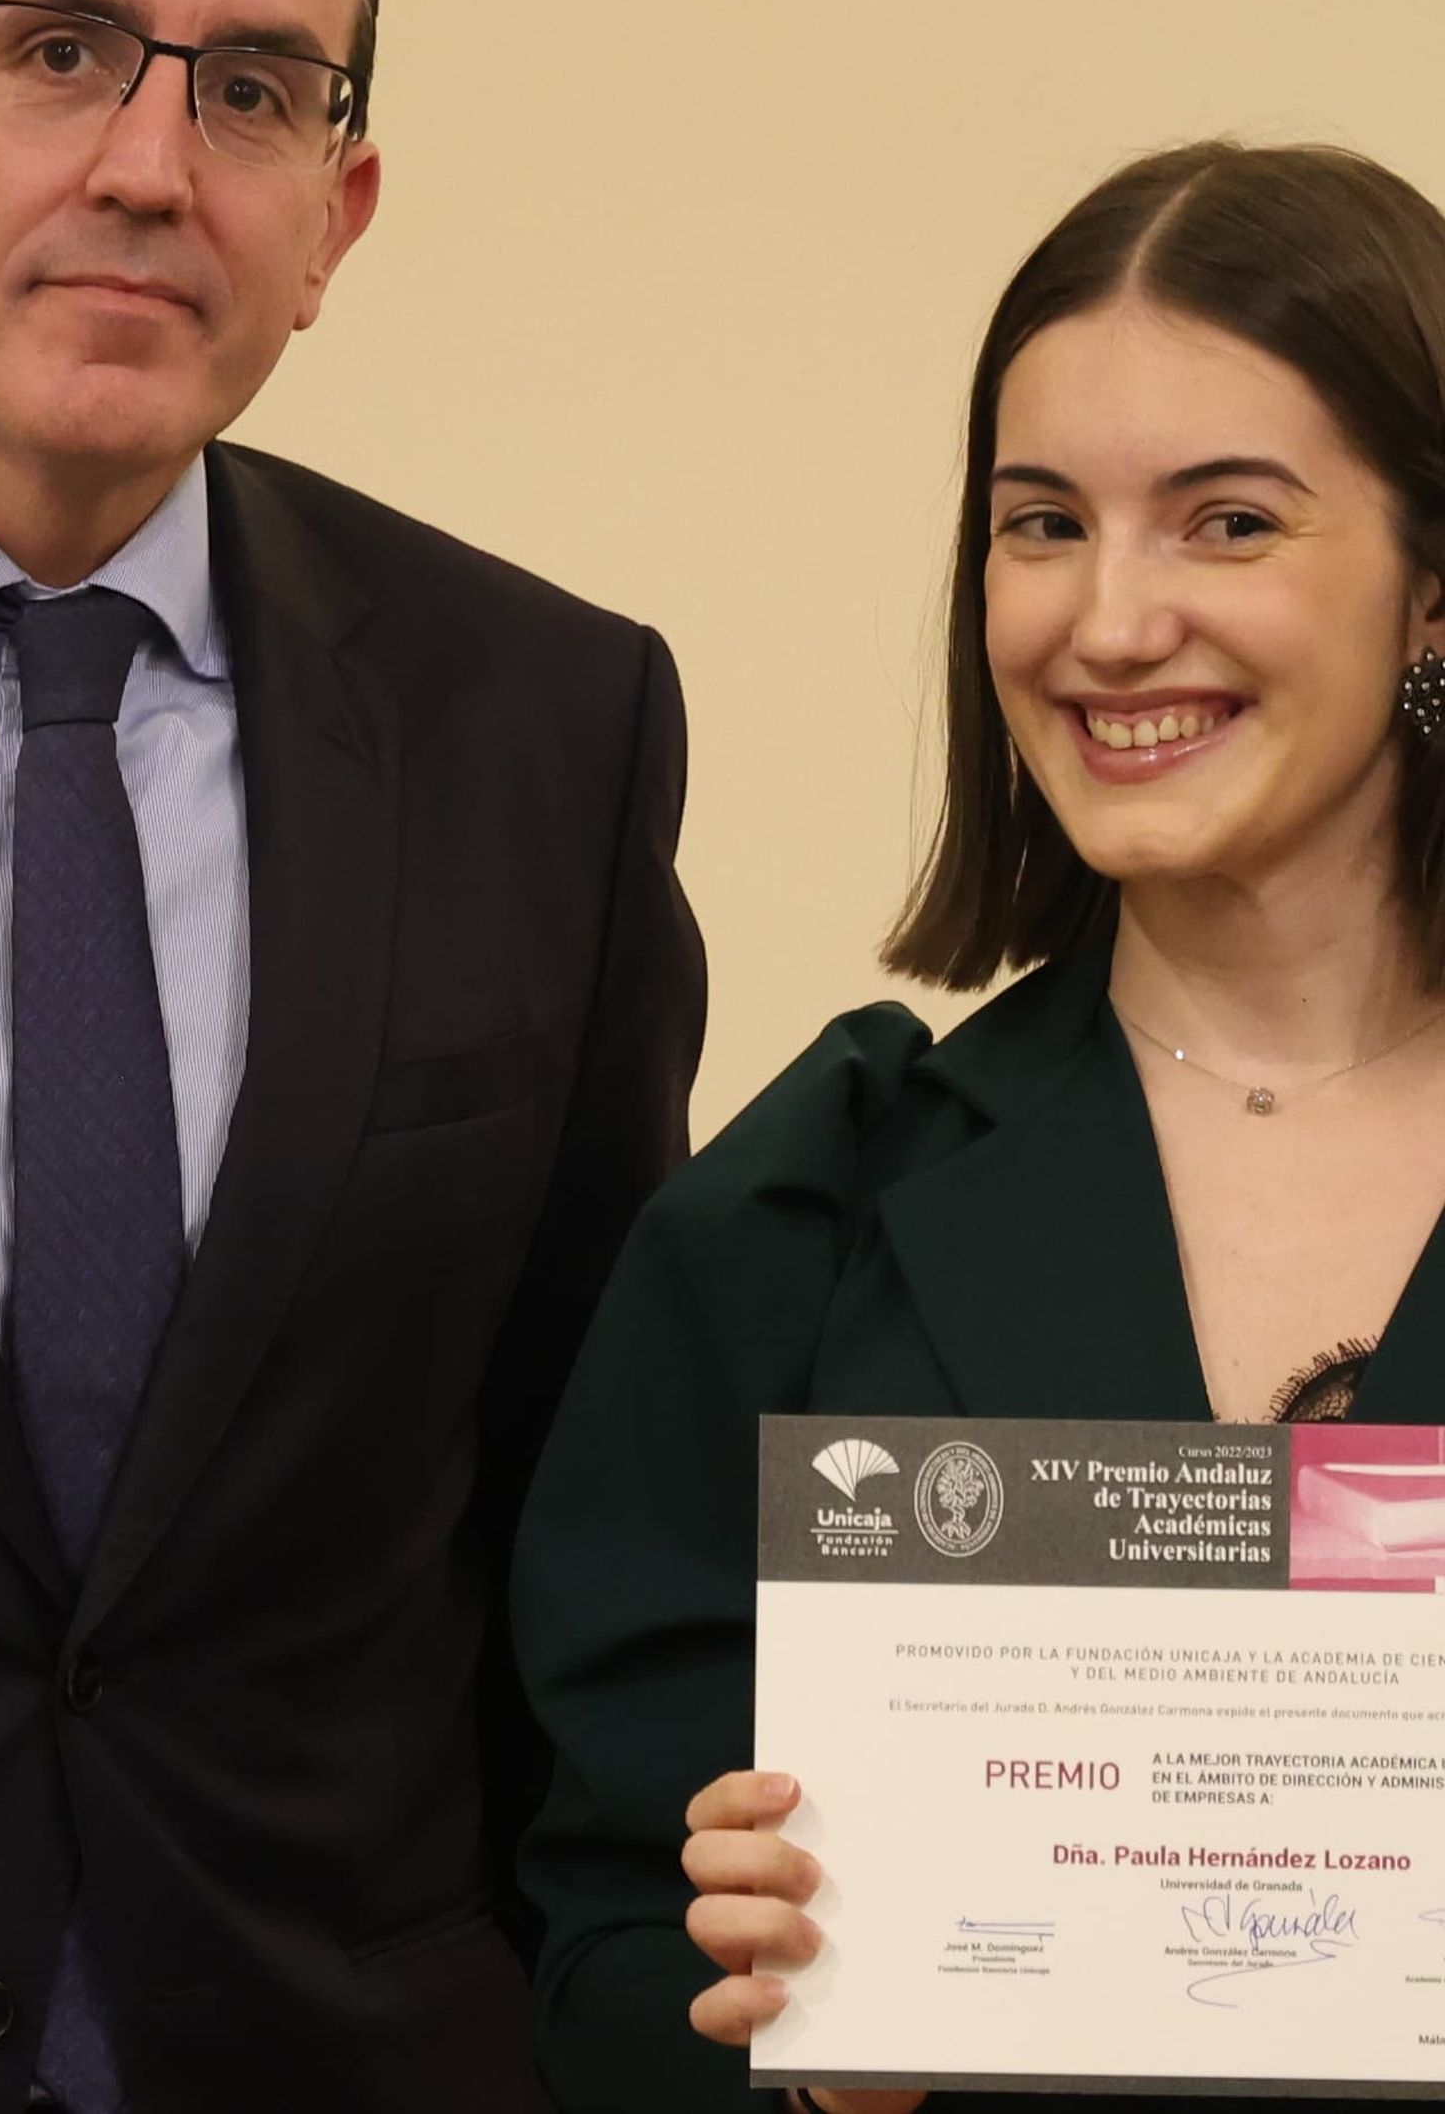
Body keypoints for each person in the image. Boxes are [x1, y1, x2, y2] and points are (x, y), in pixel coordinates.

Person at [0, 0, 704, 2114]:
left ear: (335, 217)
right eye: (54, 48)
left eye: (251, 91)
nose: (148, 162)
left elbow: (573, 1511)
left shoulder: (542, 726)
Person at [515, 138, 1445, 2114]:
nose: (1106, 625)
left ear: (1430, 591)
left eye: (1224, 524)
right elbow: (585, 1933)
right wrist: (784, 2049)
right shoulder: (801, 1217)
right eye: (1039, 525)